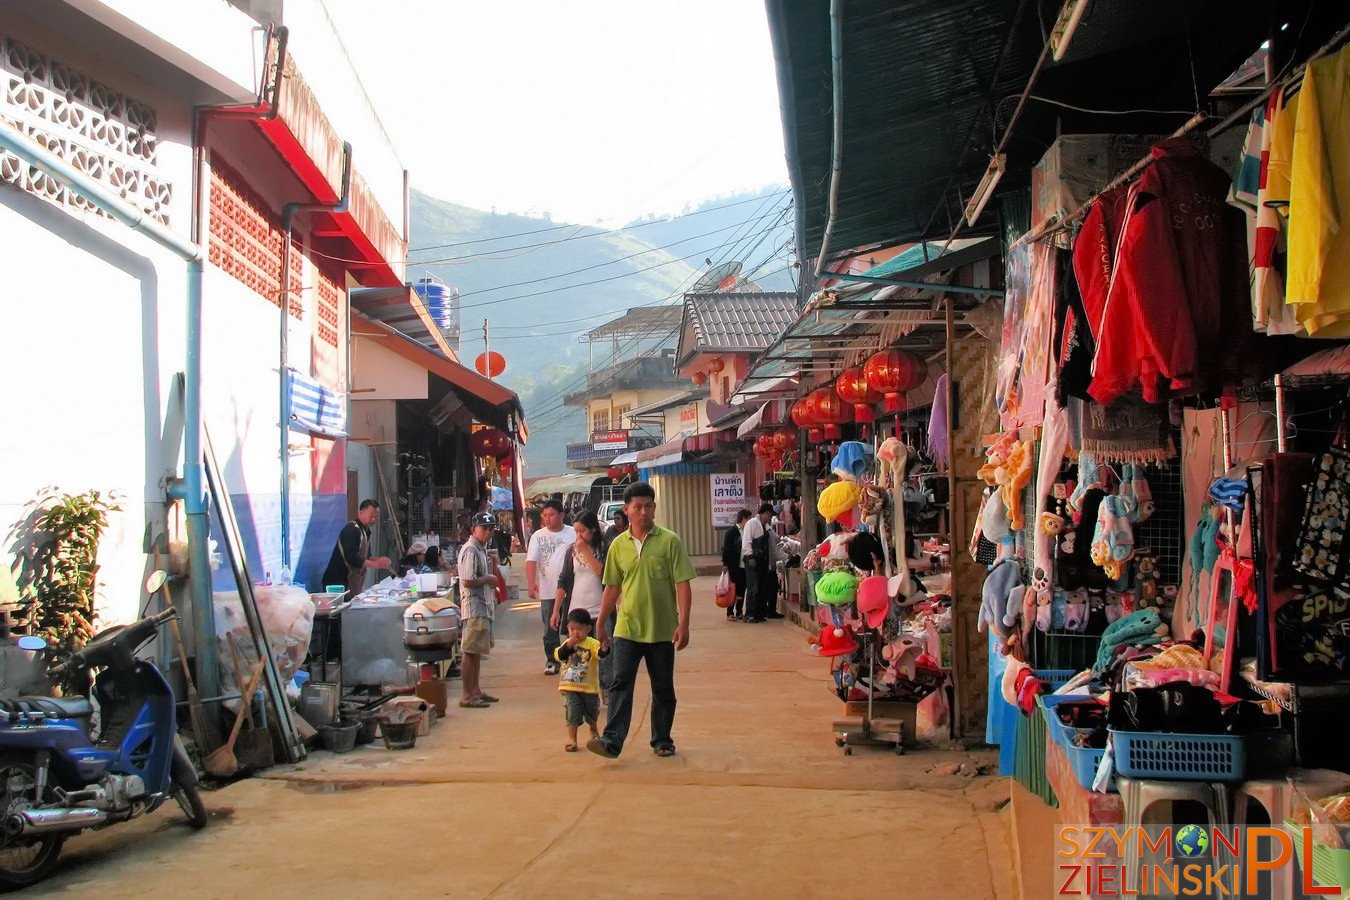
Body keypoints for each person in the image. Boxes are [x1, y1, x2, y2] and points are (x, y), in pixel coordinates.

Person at [588, 482, 695, 759]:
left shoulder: (669, 541)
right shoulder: (617, 546)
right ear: (627, 510)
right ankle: (612, 741)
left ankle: (662, 739)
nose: (643, 512)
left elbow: (683, 583)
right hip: (627, 627)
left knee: (662, 687)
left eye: (648, 506)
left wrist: (683, 623)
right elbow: (612, 586)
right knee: (620, 683)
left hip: (662, 629)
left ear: (654, 508)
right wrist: (600, 623)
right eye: (637, 507)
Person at [456, 512, 502, 709]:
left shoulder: (480, 548)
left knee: (476, 651)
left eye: (491, 528)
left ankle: (475, 690)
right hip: (474, 606)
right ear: (474, 529)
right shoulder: (471, 550)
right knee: (470, 650)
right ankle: (467, 694)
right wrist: (489, 579)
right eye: (485, 528)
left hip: (483, 605)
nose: (488, 532)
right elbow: (467, 580)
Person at [526, 499, 576, 675]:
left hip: (571, 590)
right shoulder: (538, 536)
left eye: (551, 515)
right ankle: (552, 660)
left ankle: (574, 659)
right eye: (544, 515)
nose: (547, 519)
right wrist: (532, 583)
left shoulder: (573, 533)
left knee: (573, 625)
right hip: (548, 590)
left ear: (561, 515)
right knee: (550, 627)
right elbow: (531, 561)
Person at [554, 608, 608, 752]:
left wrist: (604, 648)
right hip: (569, 686)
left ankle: (593, 730)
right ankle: (573, 739)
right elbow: (558, 655)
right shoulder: (566, 644)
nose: (575, 632)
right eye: (572, 629)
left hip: (589, 687)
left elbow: (600, 654)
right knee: (572, 712)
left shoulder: (592, 643)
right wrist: (569, 644)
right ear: (567, 628)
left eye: (580, 629)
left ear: (588, 629)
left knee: (592, 713)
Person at [321, 499, 391, 596]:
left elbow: (366, 558)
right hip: (337, 582)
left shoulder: (366, 531)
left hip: (351, 582)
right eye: (371, 516)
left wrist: (379, 560)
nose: (374, 520)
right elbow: (351, 557)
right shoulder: (351, 529)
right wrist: (374, 564)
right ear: (361, 512)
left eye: (376, 516)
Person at [740, 503, 777, 623]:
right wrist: (750, 557)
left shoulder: (764, 526)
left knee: (762, 587)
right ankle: (750, 614)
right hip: (752, 560)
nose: (770, 518)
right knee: (753, 587)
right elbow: (746, 541)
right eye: (770, 515)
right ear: (765, 513)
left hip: (762, 561)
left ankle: (759, 613)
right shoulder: (752, 523)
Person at [720, 509, 752, 621]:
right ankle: (730, 612)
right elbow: (726, 549)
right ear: (743, 518)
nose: (750, 521)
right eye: (748, 519)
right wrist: (725, 563)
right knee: (732, 589)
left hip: (744, 566)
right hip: (734, 565)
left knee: (742, 589)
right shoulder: (732, 532)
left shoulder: (747, 531)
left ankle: (739, 612)